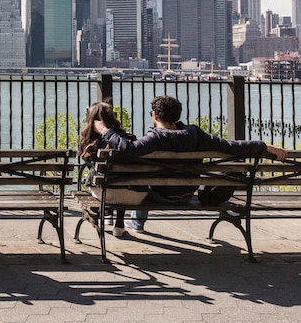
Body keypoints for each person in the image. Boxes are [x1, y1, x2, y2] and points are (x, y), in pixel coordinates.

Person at [92, 95, 287, 232]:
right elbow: (232, 146)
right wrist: (264, 145)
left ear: (155, 116)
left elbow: (128, 150)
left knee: (141, 177)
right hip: (186, 194)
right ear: (178, 115)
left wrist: (104, 130)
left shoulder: (154, 138)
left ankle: (137, 223)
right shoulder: (195, 134)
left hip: (160, 196)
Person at [78, 102, 148, 238]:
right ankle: (119, 224)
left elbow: (86, 161)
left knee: (100, 176)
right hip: (133, 194)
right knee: (123, 179)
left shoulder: (89, 140)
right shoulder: (128, 139)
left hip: (103, 193)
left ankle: (105, 215)